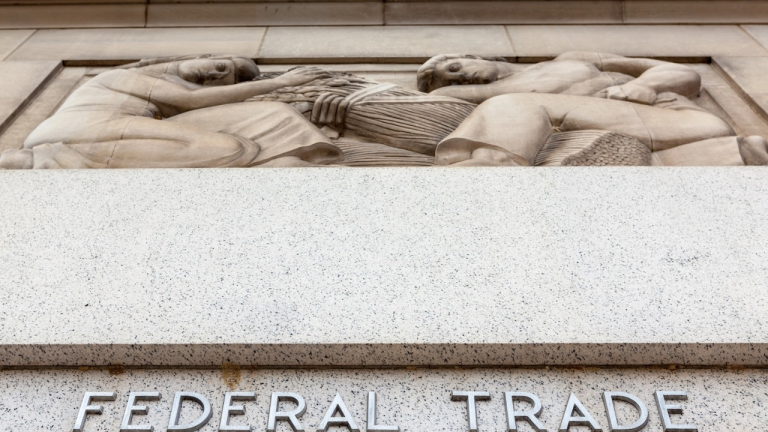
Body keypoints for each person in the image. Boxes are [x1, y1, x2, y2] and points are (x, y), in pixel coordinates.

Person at [0, 54, 341, 169]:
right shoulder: (129, 75)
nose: (214, 76)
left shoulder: (163, 100)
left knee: (277, 116)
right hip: (80, 131)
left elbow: (195, 103)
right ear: (204, 54)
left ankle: (296, 157)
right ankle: (48, 159)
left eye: (221, 82)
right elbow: (193, 102)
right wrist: (282, 82)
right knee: (230, 148)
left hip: (119, 125)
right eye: (220, 65)